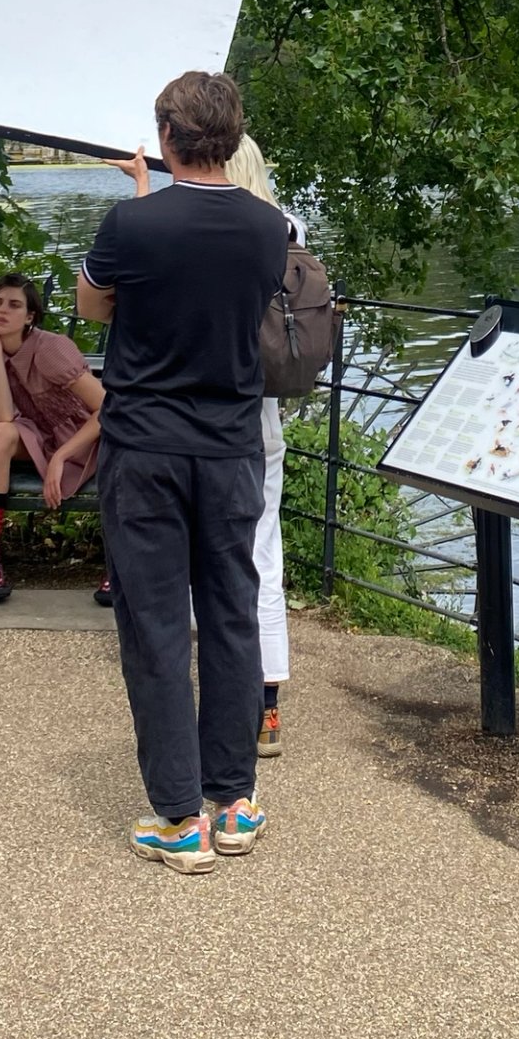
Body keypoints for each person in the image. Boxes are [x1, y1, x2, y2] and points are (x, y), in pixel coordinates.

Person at [78, 71, 287, 874]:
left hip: (145, 449)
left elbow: (95, 306)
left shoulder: (132, 224)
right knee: (232, 617)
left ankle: (178, 818)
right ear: (232, 139)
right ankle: (235, 800)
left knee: (157, 626)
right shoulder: (270, 229)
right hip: (231, 448)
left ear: (165, 135)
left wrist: (140, 203)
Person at [223, 133, 295, 761]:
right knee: (263, 546)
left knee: (216, 553)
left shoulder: (214, 228)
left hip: (215, 410)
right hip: (266, 407)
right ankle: (266, 706)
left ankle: (225, 690)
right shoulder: (284, 229)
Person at [0, 271, 105, 604]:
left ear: (30, 317)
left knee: (129, 454)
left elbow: (108, 409)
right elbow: (3, 414)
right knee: (0, 433)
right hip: (38, 436)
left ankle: (121, 566)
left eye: (14, 305)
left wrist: (61, 457)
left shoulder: (51, 349)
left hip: (86, 436)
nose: (2, 311)